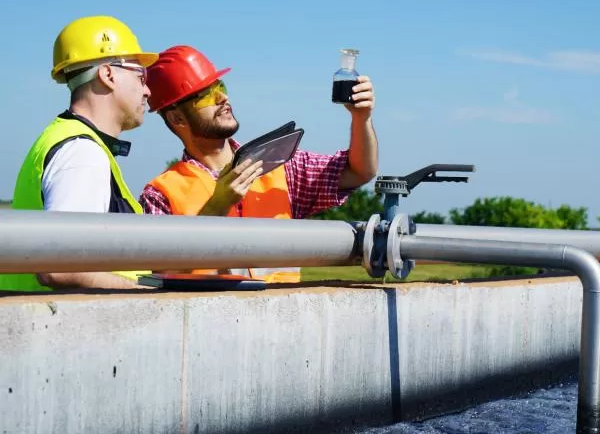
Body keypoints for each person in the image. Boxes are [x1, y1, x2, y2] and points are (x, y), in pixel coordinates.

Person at [140, 45, 378, 282]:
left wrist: (361, 118)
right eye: (206, 95)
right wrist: (216, 207)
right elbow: (164, 276)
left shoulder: (280, 164)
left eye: (220, 86)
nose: (223, 98)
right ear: (177, 117)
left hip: (283, 316)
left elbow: (358, 171)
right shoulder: (160, 194)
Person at [0, 16, 157, 292]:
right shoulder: (82, 153)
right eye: (140, 75)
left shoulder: (65, 139)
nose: (147, 90)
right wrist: (145, 296)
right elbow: (59, 266)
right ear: (108, 75)